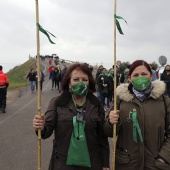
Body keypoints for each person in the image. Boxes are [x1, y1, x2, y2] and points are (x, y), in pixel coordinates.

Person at [33, 63, 110, 170]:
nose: (80, 83)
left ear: (89, 82)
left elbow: (102, 137)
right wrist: (40, 126)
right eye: (76, 79)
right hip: (62, 164)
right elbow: (46, 131)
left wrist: (105, 163)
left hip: (92, 163)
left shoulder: (97, 105)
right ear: (69, 83)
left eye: (84, 79)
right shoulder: (57, 102)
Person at [104, 60, 170, 170]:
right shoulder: (120, 100)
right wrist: (111, 122)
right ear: (129, 78)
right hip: (127, 164)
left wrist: (164, 157)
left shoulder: (164, 101)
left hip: (155, 165)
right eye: (136, 75)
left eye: (144, 74)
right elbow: (108, 132)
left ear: (150, 76)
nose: (140, 77)